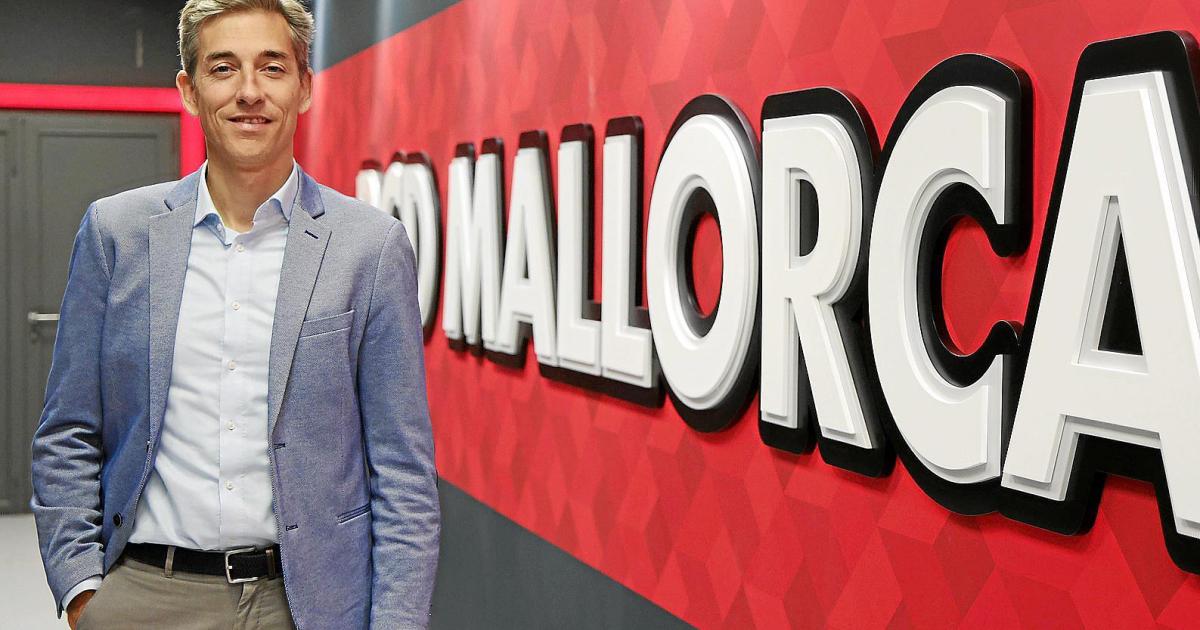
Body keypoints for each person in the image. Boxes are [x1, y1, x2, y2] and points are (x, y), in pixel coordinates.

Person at [28, 1, 440, 628]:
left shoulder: (370, 248)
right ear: (190, 91)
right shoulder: (118, 233)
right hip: (146, 593)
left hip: (308, 604)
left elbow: (403, 474)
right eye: (223, 68)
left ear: (304, 87)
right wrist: (83, 589)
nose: (250, 91)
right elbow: (67, 431)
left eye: (272, 67)